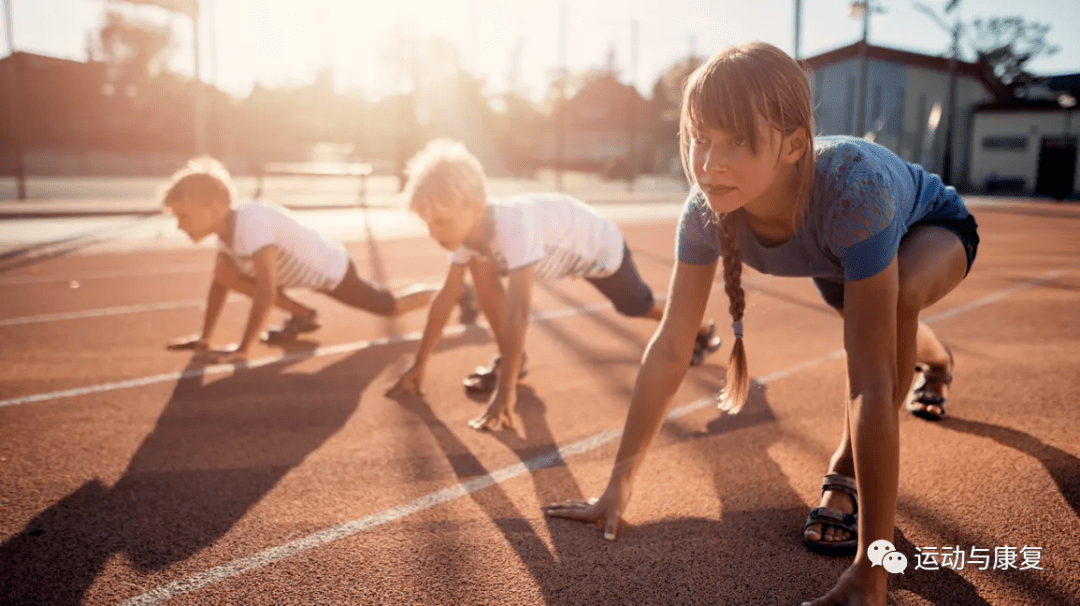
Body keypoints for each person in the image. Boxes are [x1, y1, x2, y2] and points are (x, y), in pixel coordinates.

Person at [543, 41, 979, 606]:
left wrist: (871, 574)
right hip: (836, 255)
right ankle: (937, 359)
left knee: (892, 314)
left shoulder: (854, 191)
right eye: (700, 138)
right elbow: (672, 345)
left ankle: (845, 470)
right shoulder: (704, 210)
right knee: (870, 314)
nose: (710, 163)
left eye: (738, 141)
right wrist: (617, 486)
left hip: (931, 228)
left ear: (795, 144)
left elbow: (870, 382)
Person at [384, 139, 724, 431]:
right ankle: (512, 359)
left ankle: (701, 330)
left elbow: (519, 313)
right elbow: (446, 299)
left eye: (440, 222)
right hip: (564, 249)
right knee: (479, 269)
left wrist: (505, 392)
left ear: (473, 207)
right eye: (429, 225)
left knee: (636, 306)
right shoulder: (466, 236)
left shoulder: (513, 227)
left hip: (600, 250)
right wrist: (419, 365)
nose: (435, 234)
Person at [161, 157, 443, 363]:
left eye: (183, 216)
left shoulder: (251, 226)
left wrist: (243, 349)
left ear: (214, 208)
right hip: (299, 276)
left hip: (331, 270)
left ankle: (452, 293)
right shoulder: (225, 231)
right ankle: (302, 315)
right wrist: (204, 337)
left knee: (390, 308)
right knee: (224, 274)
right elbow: (220, 284)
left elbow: (266, 291)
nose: (179, 226)